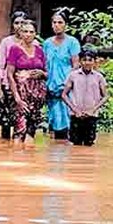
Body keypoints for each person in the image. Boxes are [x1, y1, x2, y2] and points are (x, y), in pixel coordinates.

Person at [4, 21, 47, 144]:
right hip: (20, 94)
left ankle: (29, 159)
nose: (28, 34)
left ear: (35, 34)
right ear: (20, 33)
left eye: (31, 32)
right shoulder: (14, 49)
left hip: (37, 96)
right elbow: (10, 74)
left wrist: (42, 74)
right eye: (25, 31)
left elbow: (47, 73)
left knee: (31, 131)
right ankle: (16, 157)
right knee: (19, 128)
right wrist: (17, 97)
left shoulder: (39, 50)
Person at [43, 8, 81, 140]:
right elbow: (45, 64)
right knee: (53, 120)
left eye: (60, 22)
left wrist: (67, 83)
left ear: (66, 24)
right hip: (51, 86)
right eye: (54, 22)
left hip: (66, 86)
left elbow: (75, 64)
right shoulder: (47, 43)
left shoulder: (72, 42)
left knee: (65, 119)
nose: (56, 25)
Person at [61, 46, 107, 147]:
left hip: (91, 115)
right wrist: (75, 110)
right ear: (80, 61)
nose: (87, 62)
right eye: (84, 60)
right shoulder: (73, 75)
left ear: (94, 62)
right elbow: (64, 95)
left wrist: (93, 110)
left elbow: (105, 97)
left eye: (90, 60)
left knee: (89, 144)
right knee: (75, 144)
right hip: (76, 115)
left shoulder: (99, 77)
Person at [0, 10, 30, 140]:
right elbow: (1, 65)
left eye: (22, 23)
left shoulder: (32, 42)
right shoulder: (6, 42)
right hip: (7, 85)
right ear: (12, 25)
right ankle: (6, 151)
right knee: (6, 122)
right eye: (16, 23)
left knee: (22, 121)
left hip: (25, 87)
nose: (19, 26)